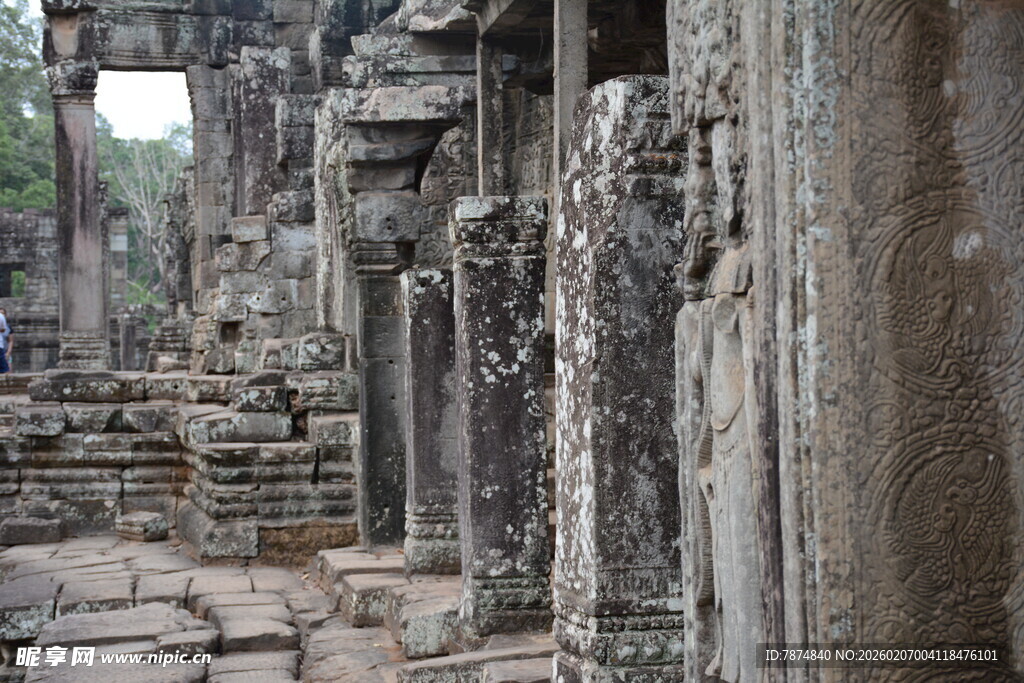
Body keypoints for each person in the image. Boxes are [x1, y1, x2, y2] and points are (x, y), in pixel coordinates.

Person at [0, 308, 13, 374]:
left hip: (5, 350)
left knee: (7, 370)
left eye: (3, 313)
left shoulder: (8, 327)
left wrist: (8, 351)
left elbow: (10, 341)